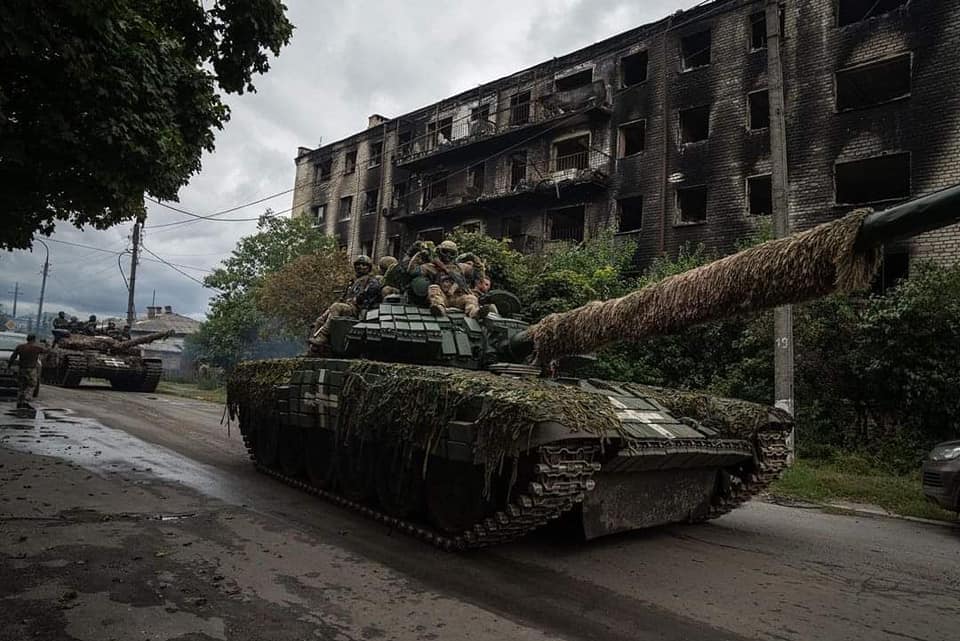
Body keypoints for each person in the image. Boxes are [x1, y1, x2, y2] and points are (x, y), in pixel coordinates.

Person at [308, 254, 383, 353]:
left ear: (369, 267)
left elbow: (373, 290)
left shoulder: (371, 280)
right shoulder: (352, 282)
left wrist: (359, 298)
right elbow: (343, 297)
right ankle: (314, 340)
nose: (360, 267)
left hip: (359, 309)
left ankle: (323, 336)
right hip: (347, 307)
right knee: (322, 318)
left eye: (364, 265)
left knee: (336, 307)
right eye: (358, 264)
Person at [425, 240, 492, 319]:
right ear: (439, 252)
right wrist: (416, 254)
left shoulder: (461, 267)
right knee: (433, 288)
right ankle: (439, 308)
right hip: (443, 297)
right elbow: (412, 271)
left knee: (471, 298)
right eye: (445, 252)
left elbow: (479, 273)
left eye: (452, 253)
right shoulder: (431, 267)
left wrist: (474, 258)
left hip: (458, 298)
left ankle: (475, 313)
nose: (448, 255)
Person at [7, 334, 46, 409]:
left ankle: (19, 402)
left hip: (21, 369)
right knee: (31, 385)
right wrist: (46, 343)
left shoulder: (20, 347)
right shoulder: (36, 348)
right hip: (31, 369)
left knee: (22, 386)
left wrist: (9, 365)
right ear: (34, 340)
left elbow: (13, 357)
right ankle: (26, 400)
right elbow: (47, 351)